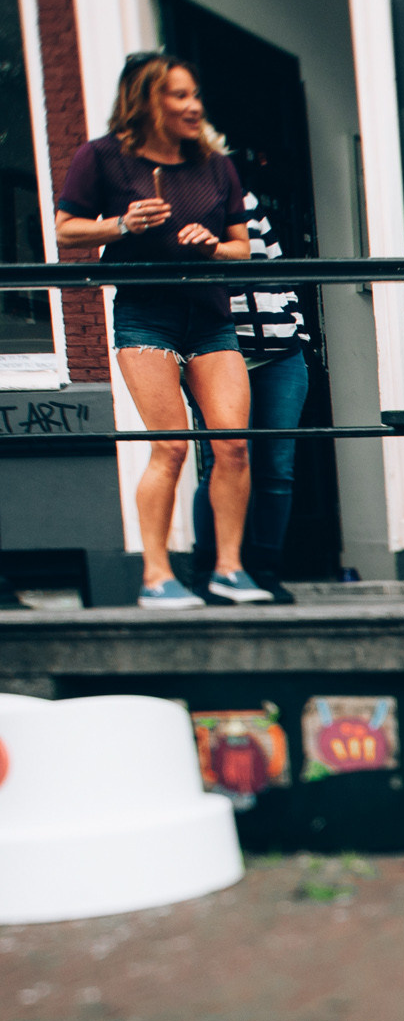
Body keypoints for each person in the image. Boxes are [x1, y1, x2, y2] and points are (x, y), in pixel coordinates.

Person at [54, 52, 272, 609]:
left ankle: (228, 570)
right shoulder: (101, 158)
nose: (194, 105)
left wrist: (212, 245)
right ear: (147, 100)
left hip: (210, 317)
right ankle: (156, 577)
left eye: (195, 94)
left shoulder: (217, 164)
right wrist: (122, 225)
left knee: (234, 447)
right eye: (179, 95)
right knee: (171, 446)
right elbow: (66, 230)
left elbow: (241, 250)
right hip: (146, 315)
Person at [190, 191, 308, 603]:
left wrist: (297, 328)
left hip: (281, 353)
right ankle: (209, 569)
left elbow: (275, 264)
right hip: (220, 349)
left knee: (278, 468)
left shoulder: (247, 200)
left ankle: (265, 571)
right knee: (221, 461)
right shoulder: (179, 203)